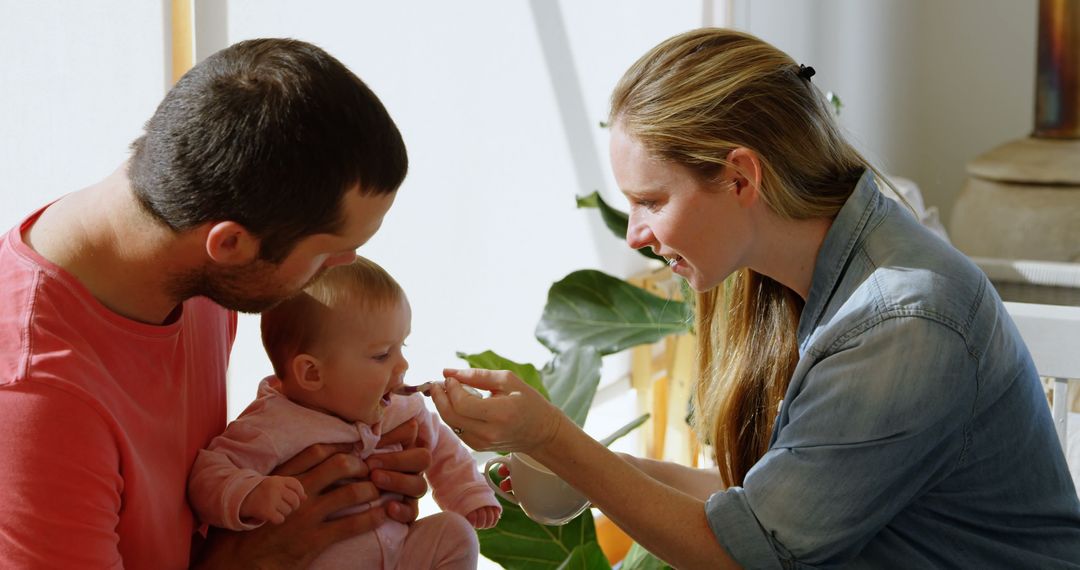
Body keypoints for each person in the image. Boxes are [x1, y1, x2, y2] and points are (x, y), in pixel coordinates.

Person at [431, 28, 1080, 569]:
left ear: (741, 176)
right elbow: (774, 505)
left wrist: (553, 437)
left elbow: (749, 556)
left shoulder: (900, 322)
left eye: (651, 201)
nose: (634, 236)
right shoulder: (805, 274)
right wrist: (598, 469)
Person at [0, 38, 432, 569]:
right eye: (328, 254)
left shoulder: (193, 266)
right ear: (229, 244)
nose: (344, 267)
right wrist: (248, 558)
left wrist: (337, 473)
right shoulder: (36, 400)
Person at [188, 257, 501, 569]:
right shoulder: (272, 426)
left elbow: (442, 446)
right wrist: (251, 494)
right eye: (382, 355)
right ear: (312, 373)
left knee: (455, 533)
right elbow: (209, 472)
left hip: (401, 554)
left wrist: (468, 492)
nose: (402, 366)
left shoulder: (400, 409)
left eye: (401, 347)